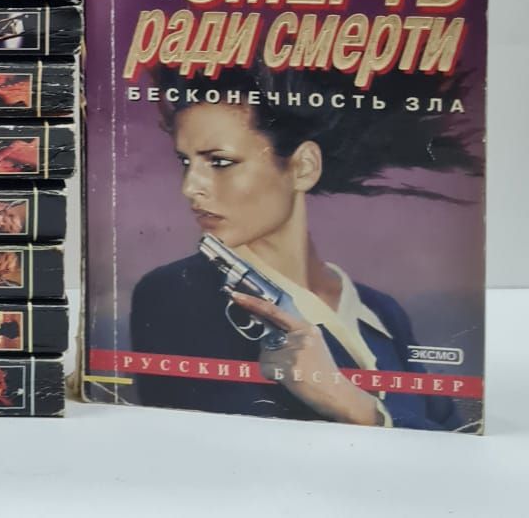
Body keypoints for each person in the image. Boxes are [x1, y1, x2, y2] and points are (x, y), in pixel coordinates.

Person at [129, 64, 480, 430]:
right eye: (185, 162)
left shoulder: (381, 311)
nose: (189, 187)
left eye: (220, 162)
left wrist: (350, 403)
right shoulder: (175, 293)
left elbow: (451, 435)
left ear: (303, 167)